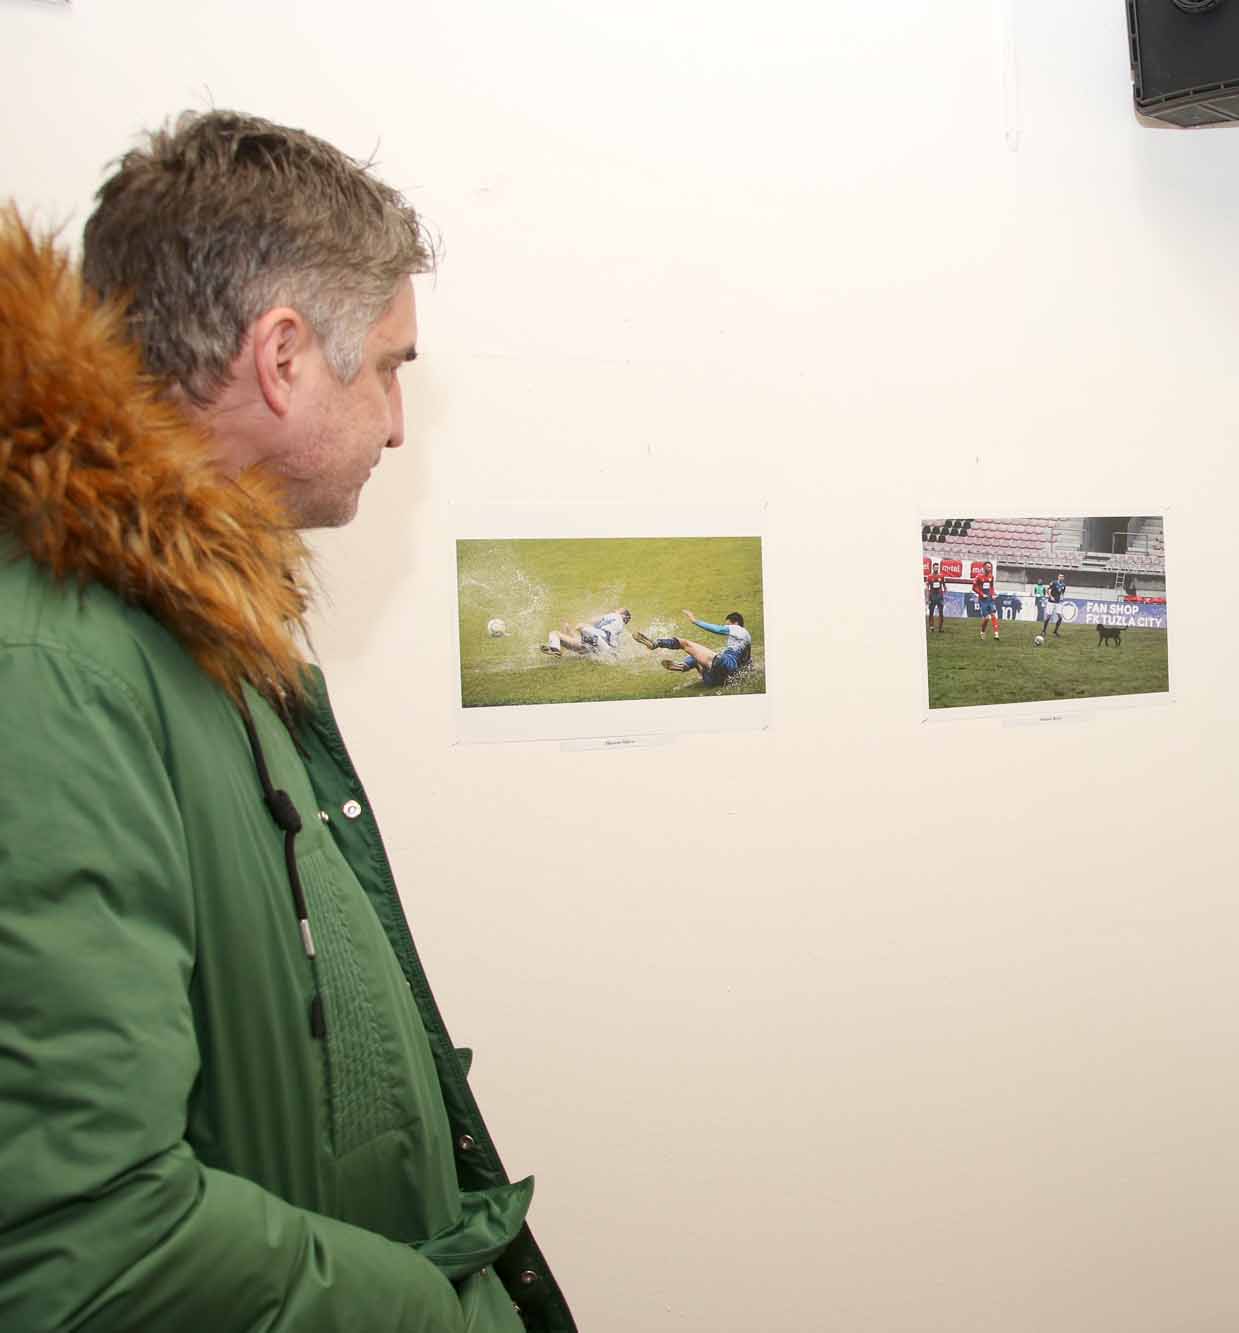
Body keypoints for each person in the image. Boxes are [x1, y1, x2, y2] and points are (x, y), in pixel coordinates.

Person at [0, 112, 571, 1331]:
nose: (398, 423)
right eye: (391, 368)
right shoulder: (59, 665)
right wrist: (434, 1310)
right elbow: (82, 1244)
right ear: (284, 356)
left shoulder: (187, 619)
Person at [642, 609, 752, 686]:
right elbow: (747, 664)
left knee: (685, 644)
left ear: (735, 623)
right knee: (699, 656)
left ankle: (656, 643)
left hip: (724, 664)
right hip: (722, 678)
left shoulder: (740, 630)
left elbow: (718, 630)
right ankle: (683, 665)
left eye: (728, 625)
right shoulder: (746, 642)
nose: (726, 628)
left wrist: (695, 621)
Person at [540, 607, 630, 656]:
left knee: (554, 633)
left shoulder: (614, 616)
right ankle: (558, 646)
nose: (615, 610)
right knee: (580, 638)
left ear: (622, 614)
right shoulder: (620, 629)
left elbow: (592, 621)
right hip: (597, 645)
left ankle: (555, 649)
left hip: (594, 641)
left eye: (617, 609)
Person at [973, 569, 999, 639]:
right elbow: (974, 588)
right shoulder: (978, 577)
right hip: (983, 600)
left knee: (993, 615)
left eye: (990, 567)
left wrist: (993, 594)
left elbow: (991, 587)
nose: (989, 568)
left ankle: (996, 634)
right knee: (987, 618)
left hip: (990, 599)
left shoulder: (991, 577)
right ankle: (982, 632)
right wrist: (981, 594)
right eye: (987, 567)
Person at [1044, 573, 1068, 638]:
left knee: (1060, 617)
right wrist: (1050, 596)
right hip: (1051, 602)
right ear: (1058, 577)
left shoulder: (1063, 585)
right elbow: (1048, 590)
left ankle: (1055, 631)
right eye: (1060, 576)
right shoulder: (1053, 582)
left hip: (1058, 602)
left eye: (1062, 577)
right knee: (1048, 616)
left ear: (1063, 578)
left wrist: (1062, 597)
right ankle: (1044, 631)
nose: (1061, 578)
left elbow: (1062, 593)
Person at [926, 564, 948, 633]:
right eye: (935, 567)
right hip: (932, 596)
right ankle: (931, 627)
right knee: (931, 612)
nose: (936, 569)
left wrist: (945, 591)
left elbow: (944, 585)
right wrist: (927, 598)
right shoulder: (929, 576)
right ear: (933, 568)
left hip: (939, 596)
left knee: (941, 612)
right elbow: (927, 587)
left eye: (937, 568)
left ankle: (940, 628)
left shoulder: (941, 576)